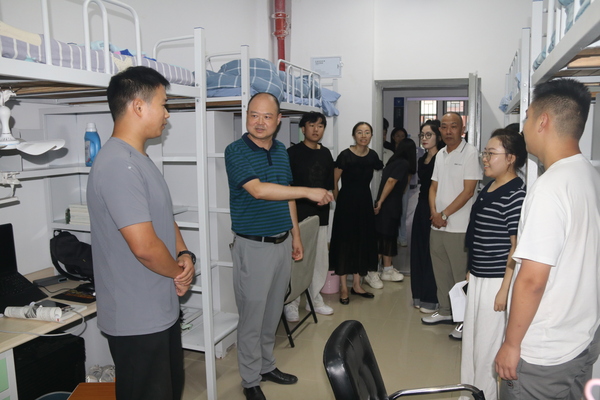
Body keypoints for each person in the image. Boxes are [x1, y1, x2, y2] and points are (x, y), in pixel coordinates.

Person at [87, 66, 195, 400]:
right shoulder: (118, 165)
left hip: (159, 309)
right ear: (138, 106)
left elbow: (163, 217)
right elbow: (145, 247)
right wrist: (178, 273)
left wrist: (183, 254)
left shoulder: (139, 159)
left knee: (169, 390)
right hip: (136, 318)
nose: (167, 113)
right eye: (163, 104)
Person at [495, 78, 600, 400]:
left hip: (544, 352)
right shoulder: (589, 174)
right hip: (581, 336)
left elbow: (532, 280)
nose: (523, 127)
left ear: (543, 121)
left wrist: (512, 344)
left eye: (527, 117)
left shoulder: (549, 188)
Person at [225, 92, 333, 400]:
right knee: (252, 317)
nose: (259, 122)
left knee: (272, 313)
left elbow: (286, 195)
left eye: (267, 116)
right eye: (253, 115)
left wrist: (295, 237)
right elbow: (259, 190)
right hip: (253, 247)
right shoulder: (235, 151)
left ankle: (266, 365)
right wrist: (309, 191)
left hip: (282, 243)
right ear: (247, 116)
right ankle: (250, 380)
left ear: (278, 120)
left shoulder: (281, 150)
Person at [460, 129, 527, 400]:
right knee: (471, 342)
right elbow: (479, 232)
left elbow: (516, 247)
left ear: (511, 158)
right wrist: (471, 268)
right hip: (479, 275)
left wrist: (504, 290)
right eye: (484, 153)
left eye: (491, 153)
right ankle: (468, 393)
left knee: (487, 347)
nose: (485, 158)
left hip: (496, 280)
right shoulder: (490, 186)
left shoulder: (516, 194)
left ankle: (484, 396)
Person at [422, 112, 482, 337]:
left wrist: (444, 214)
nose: (448, 131)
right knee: (441, 272)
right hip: (437, 225)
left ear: (462, 129)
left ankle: (465, 319)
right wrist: (434, 213)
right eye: (444, 127)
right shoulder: (441, 154)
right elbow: (433, 187)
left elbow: (468, 191)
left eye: (453, 126)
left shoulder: (470, 153)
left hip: (459, 227)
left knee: (459, 275)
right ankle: (445, 310)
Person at [283, 111, 335, 322]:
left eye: (320, 126)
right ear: (303, 128)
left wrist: (328, 198)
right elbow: (286, 187)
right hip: (298, 217)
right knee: (297, 261)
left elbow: (329, 185)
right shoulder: (292, 153)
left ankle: (315, 299)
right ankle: (291, 303)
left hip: (321, 215)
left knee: (319, 259)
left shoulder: (326, 154)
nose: (316, 129)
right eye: (311, 125)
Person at [329, 122, 384, 303]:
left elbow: (380, 170)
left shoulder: (372, 155)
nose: (363, 136)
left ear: (371, 136)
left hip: (364, 203)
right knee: (345, 243)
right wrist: (339, 201)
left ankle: (357, 285)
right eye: (359, 132)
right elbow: (333, 181)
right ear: (354, 135)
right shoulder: (345, 155)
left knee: (362, 241)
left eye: (367, 132)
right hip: (346, 204)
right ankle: (344, 288)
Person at [410, 121, 442, 313]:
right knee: (418, 250)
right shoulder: (423, 159)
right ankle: (418, 295)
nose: (424, 138)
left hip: (435, 206)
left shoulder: (442, 157)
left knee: (432, 253)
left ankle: (431, 298)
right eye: (422, 135)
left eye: (429, 134)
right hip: (421, 206)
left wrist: (437, 211)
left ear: (438, 136)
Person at [374, 139, 414, 282]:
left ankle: (387, 268)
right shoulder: (403, 164)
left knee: (388, 238)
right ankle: (371, 271)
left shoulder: (393, 162)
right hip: (389, 206)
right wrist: (381, 201)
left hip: (389, 205)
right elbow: (391, 181)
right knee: (384, 238)